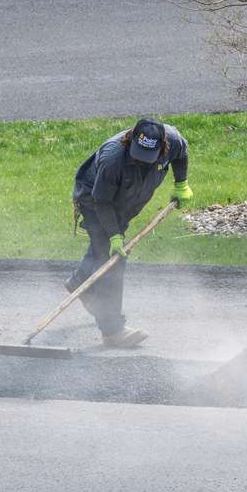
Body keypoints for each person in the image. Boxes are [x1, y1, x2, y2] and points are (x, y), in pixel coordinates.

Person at [66, 118, 192, 347]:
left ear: (162, 146)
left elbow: (182, 154)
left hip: (126, 200)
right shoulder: (113, 159)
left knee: (101, 251)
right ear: (130, 140)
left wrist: (181, 184)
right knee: (113, 260)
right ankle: (112, 332)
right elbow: (102, 201)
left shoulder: (173, 141)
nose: (141, 161)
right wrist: (114, 235)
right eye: (137, 154)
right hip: (95, 201)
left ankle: (79, 282)